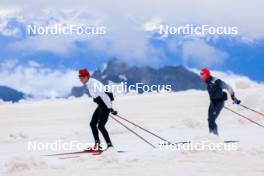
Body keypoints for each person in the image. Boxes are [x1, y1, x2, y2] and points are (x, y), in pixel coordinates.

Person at [78, 68, 118, 150]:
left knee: (100, 126)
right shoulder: (89, 83)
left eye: (81, 77)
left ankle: (110, 146)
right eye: (79, 77)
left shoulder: (94, 84)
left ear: (87, 76)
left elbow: (105, 96)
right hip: (101, 104)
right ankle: (97, 145)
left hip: (105, 104)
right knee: (92, 124)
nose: (80, 79)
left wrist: (110, 108)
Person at [199, 68, 241, 136]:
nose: (201, 76)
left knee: (212, 120)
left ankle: (215, 137)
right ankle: (211, 136)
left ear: (207, 74)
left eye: (202, 75)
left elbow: (228, 87)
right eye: (200, 75)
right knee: (209, 120)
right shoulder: (207, 81)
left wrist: (233, 98)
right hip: (212, 102)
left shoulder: (216, 81)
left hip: (219, 102)